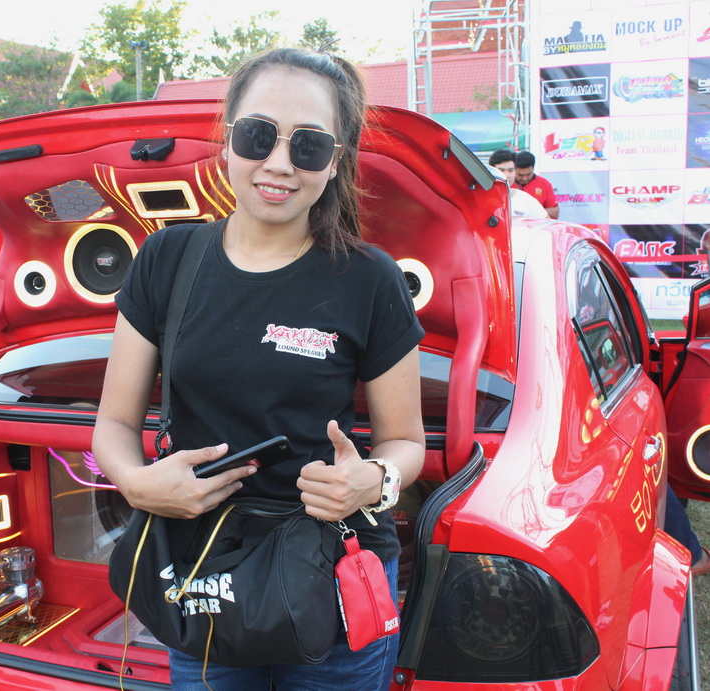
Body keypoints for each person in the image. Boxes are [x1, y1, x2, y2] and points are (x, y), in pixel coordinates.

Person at [92, 47, 425, 690]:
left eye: (309, 145)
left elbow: (405, 441)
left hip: (335, 576)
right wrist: (135, 483)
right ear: (226, 138)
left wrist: (373, 480)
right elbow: (114, 422)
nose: (278, 163)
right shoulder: (166, 259)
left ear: (336, 161)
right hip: (202, 571)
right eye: (257, 135)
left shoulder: (370, 280)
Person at [488, 149, 548, 218]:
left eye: (511, 170)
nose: (507, 175)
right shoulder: (481, 198)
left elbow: (547, 222)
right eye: (501, 170)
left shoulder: (525, 198)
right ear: (491, 171)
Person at [513, 150, 560, 219]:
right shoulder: (507, 183)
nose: (524, 178)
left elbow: (554, 212)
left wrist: (533, 212)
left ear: (533, 168)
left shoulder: (544, 184)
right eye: (520, 175)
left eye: (528, 174)